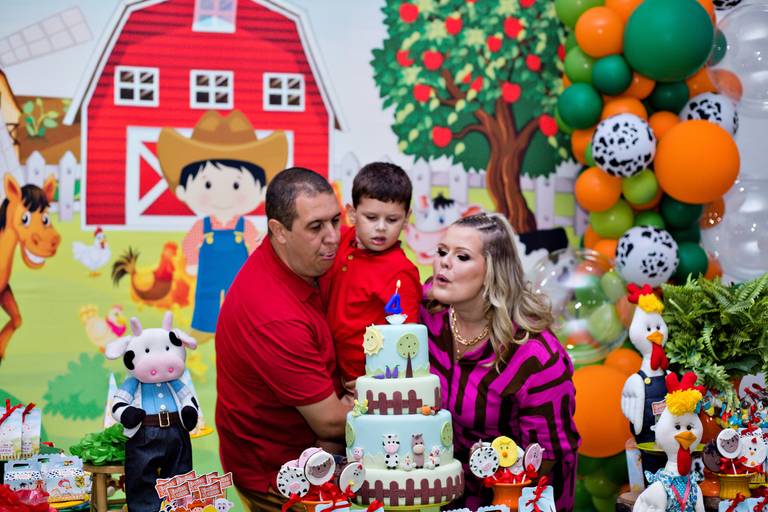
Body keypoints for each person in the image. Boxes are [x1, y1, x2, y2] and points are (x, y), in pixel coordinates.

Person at [421, 213, 580, 512]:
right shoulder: (429, 316)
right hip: (440, 498)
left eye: (462, 257)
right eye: (442, 252)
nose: (444, 262)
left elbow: (544, 461)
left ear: (494, 270)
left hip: (511, 501)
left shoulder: (536, 357)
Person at [215, 167, 353, 512]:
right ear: (278, 231)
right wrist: (381, 398)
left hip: (317, 459)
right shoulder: (274, 314)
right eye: (316, 227)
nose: (334, 237)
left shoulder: (302, 258)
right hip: (278, 476)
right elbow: (332, 422)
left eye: (336, 221)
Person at [157, 109, 288, 342]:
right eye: (207, 185)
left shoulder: (244, 226)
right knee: (206, 297)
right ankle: (203, 326)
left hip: (237, 273)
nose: (222, 195)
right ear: (184, 189)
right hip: (208, 273)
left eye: (237, 186)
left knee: (238, 297)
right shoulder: (202, 226)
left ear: (259, 190)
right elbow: (190, 244)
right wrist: (193, 263)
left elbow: (257, 247)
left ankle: (241, 325)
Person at [320, 162, 421, 389]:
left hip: (371, 381)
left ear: (406, 219)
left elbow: (407, 340)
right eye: (371, 217)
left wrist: (381, 382)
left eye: (392, 220)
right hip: (330, 372)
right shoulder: (340, 239)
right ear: (352, 213)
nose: (381, 227)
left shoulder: (401, 272)